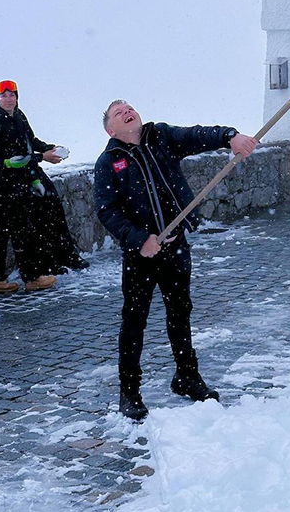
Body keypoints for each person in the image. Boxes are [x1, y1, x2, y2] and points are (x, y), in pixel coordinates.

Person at [94, 99, 257, 422]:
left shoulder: (161, 137)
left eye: (129, 106)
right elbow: (107, 211)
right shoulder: (109, 162)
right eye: (118, 112)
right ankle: (129, 392)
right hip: (141, 254)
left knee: (180, 311)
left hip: (176, 246)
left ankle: (186, 377)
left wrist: (229, 136)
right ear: (112, 129)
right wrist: (141, 240)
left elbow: (196, 136)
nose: (127, 110)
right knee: (134, 321)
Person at [0, 80, 89, 295]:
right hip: (1, 183)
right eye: (4, 96)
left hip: (19, 179)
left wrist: (49, 149)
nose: (9, 99)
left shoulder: (18, 117)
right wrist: (11, 162)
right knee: (20, 230)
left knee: (0, 231)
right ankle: (32, 277)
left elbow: (30, 142)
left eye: (12, 95)